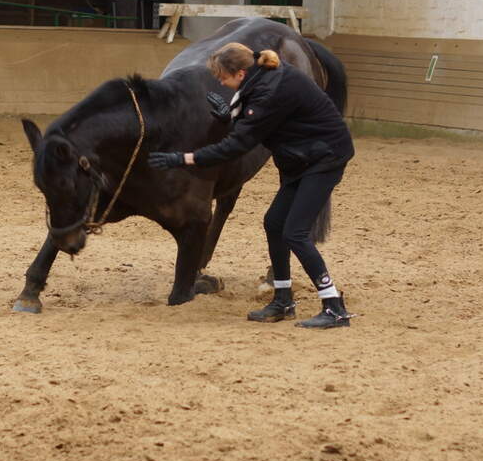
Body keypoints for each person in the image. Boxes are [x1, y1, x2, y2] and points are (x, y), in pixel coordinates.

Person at [148, 42, 356, 329]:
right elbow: (255, 115)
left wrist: (183, 158)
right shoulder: (263, 76)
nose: (220, 83)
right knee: (274, 223)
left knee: (295, 232)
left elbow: (236, 145)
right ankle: (283, 300)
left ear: (240, 73)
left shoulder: (270, 91)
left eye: (222, 77)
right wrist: (229, 117)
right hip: (302, 158)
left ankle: (334, 307)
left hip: (323, 159)